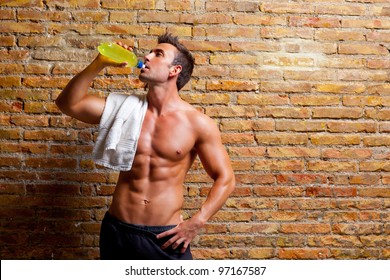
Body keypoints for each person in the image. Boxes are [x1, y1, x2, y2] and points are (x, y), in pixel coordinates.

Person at [55, 33, 235, 260]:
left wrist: (197, 221)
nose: (147, 56)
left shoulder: (197, 123)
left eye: (158, 54)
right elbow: (68, 104)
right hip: (117, 230)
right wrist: (98, 63)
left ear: (174, 70)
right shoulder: (124, 109)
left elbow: (225, 178)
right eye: (150, 51)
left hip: (164, 237)